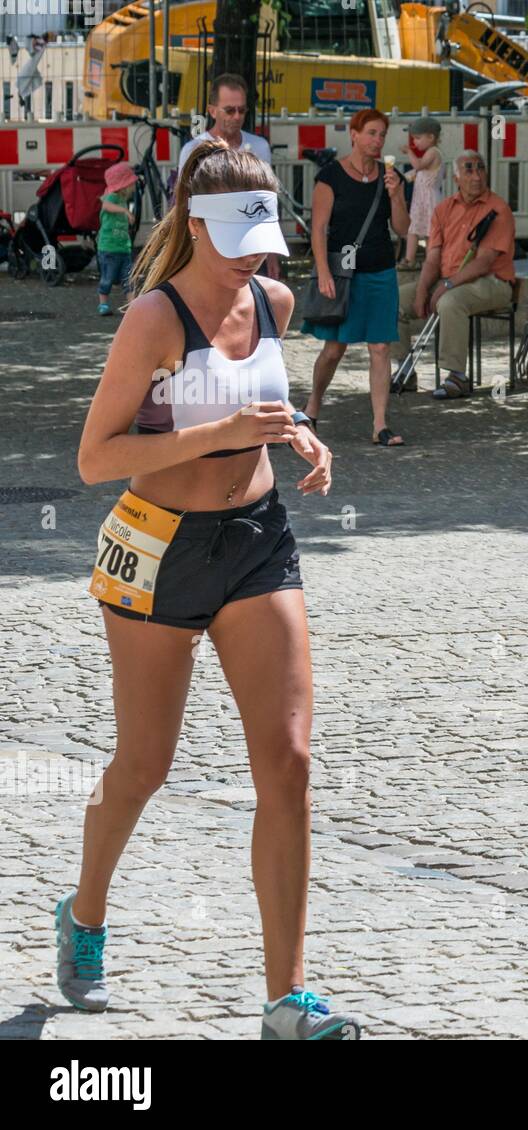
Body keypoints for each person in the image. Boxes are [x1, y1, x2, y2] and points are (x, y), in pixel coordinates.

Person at [69, 140, 362, 1040]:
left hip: (257, 544)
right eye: (237, 236)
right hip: (159, 546)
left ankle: (288, 997)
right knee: (143, 766)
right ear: (194, 222)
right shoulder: (153, 319)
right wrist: (217, 434)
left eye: (263, 236)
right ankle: (84, 915)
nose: (255, 256)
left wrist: (300, 438)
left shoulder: (271, 300)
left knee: (290, 764)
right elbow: (95, 460)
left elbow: (265, 405)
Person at [302, 108, 410, 445]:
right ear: (354, 134)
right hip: (343, 272)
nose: (377, 141)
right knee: (335, 349)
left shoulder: (391, 177)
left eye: (382, 135)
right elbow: (318, 228)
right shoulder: (330, 177)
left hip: (380, 270)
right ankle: (312, 407)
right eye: (371, 133)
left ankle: (380, 424)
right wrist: (322, 271)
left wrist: (395, 196)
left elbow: (403, 229)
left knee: (380, 347)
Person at [402, 151, 517, 401]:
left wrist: (448, 285)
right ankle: (404, 370)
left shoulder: (497, 209)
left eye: (480, 169)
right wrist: (422, 291)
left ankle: (456, 376)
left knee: (450, 302)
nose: (476, 176)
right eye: (469, 169)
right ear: (456, 177)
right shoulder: (443, 209)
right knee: (394, 300)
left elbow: (484, 263)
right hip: (448, 279)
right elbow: (433, 258)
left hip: (492, 282)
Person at [177, 74, 280, 281]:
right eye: (230, 110)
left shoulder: (260, 147)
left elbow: (268, 203)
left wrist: (272, 254)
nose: (236, 116)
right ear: (212, 110)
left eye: (242, 110)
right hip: (210, 246)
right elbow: (182, 205)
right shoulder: (193, 150)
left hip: (252, 246)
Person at [400, 117, 444, 268]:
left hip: (429, 199)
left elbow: (418, 165)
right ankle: (409, 259)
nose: (415, 142)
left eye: (418, 138)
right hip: (421, 199)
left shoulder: (433, 152)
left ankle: (429, 261)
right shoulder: (429, 154)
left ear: (431, 137)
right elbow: (420, 172)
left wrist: (409, 152)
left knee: (430, 231)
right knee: (414, 228)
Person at [96, 162, 136, 316]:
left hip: (123, 247)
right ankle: (103, 303)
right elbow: (106, 206)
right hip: (109, 248)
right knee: (108, 278)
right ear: (124, 185)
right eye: (131, 183)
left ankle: (132, 304)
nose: (133, 186)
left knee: (128, 279)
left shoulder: (122, 199)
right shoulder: (112, 197)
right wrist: (125, 211)